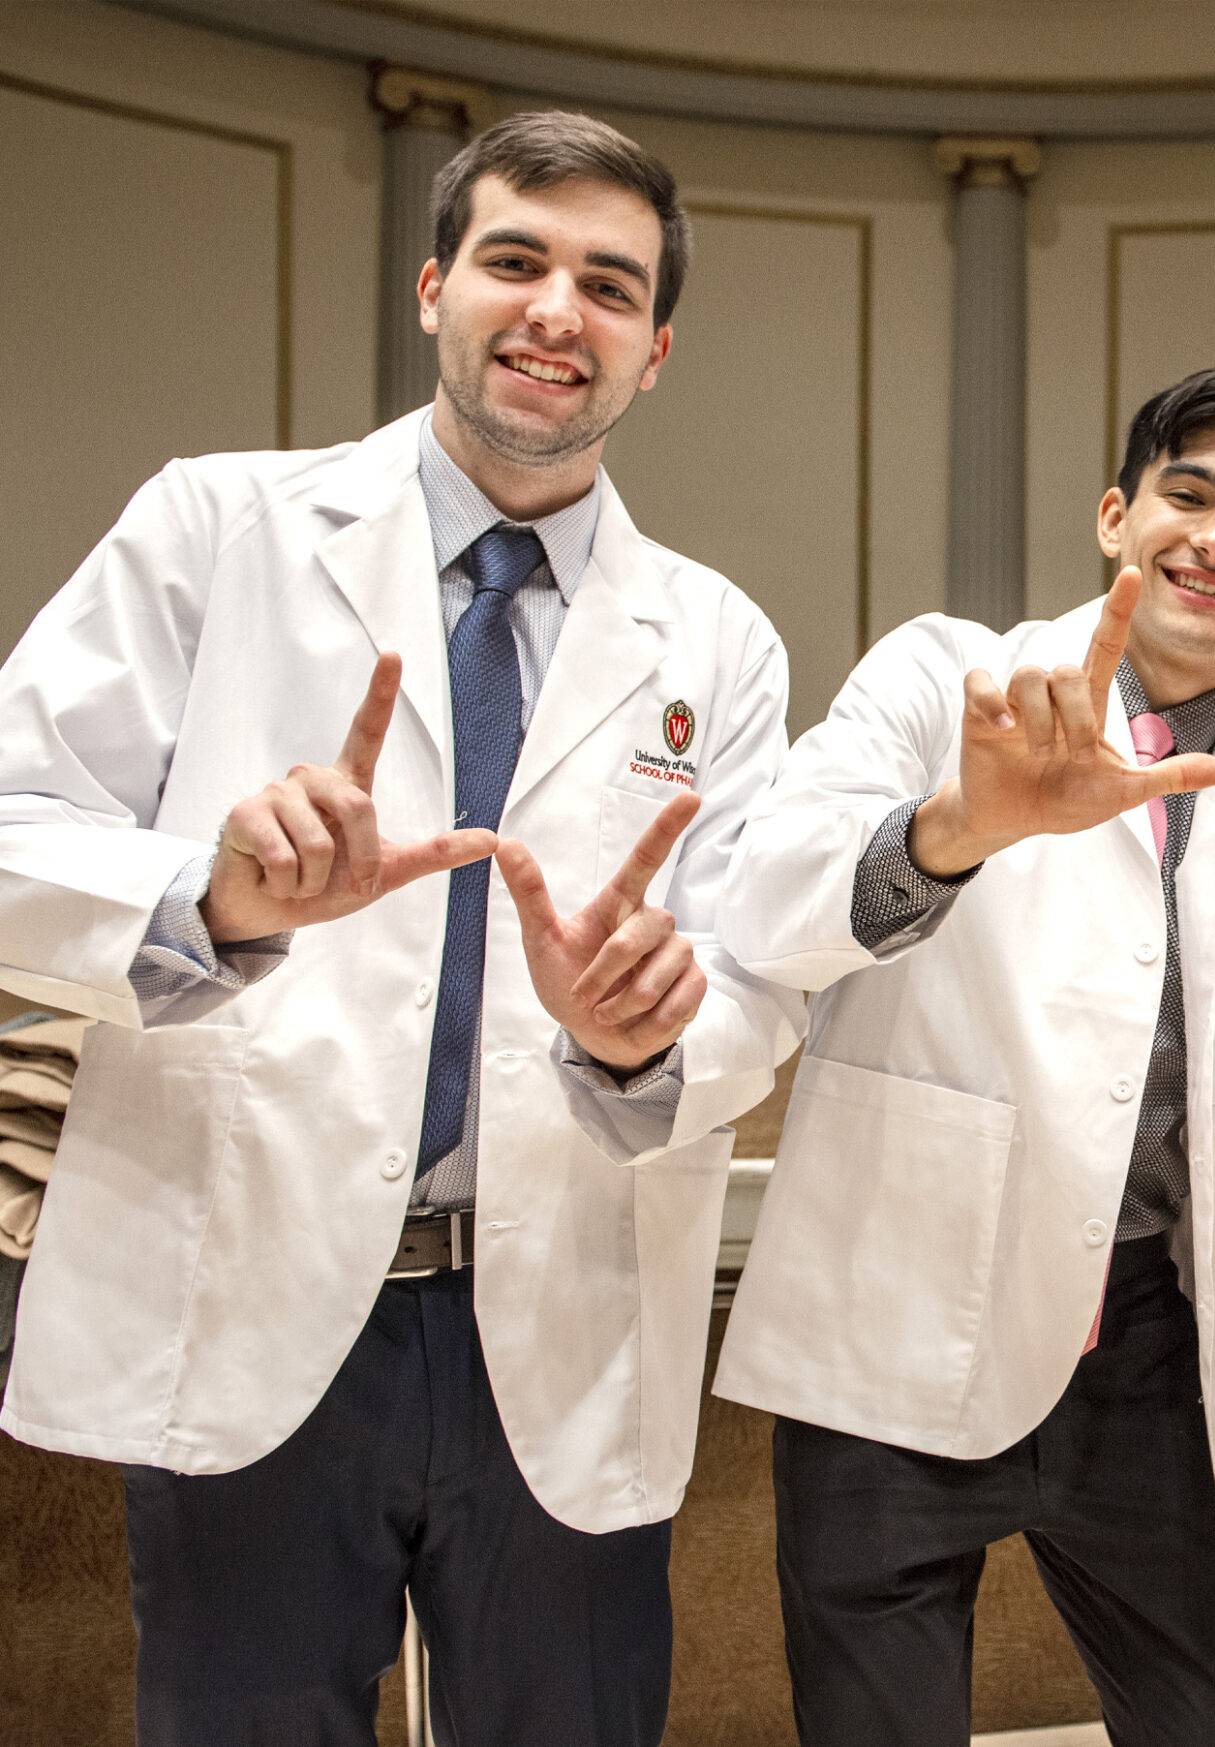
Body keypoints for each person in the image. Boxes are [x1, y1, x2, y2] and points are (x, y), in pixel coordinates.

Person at [0, 111, 799, 1744]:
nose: (555, 308)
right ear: (435, 286)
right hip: (262, 1297)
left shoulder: (716, 640)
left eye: (607, 283)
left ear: (656, 351)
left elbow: (758, 980)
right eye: (514, 260)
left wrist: (645, 1028)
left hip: (559, 1310)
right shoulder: (214, 533)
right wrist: (205, 898)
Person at [713, 363, 1215, 1745]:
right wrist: (958, 826)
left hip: (1149, 1348)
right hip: (901, 1319)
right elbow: (766, 906)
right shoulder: (949, 680)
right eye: (1189, 493)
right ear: (1118, 516)